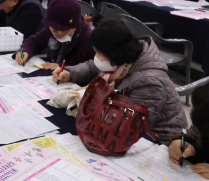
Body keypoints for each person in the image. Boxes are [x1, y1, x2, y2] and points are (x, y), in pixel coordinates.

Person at [54, 19, 187, 145]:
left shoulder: (149, 81)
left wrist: (91, 97)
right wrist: (70, 73)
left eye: (98, 53)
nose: (96, 58)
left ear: (113, 54)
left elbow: (134, 125)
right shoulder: (120, 58)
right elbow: (93, 66)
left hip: (159, 141)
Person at [15, 0, 95, 71]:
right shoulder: (51, 29)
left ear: (74, 27)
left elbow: (93, 69)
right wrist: (26, 51)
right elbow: (34, 41)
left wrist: (62, 67)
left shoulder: (90, 41)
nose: (53, 30)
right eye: (51, 25)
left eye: (59, 28)